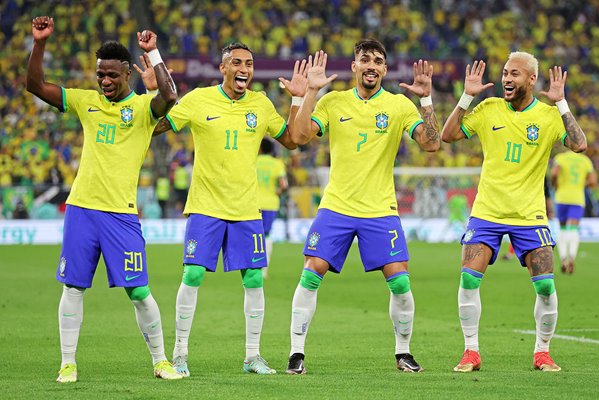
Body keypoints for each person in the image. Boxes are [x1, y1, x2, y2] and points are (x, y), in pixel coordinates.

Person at [26, 16, 181, 382]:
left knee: (139, 290)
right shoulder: (85, 102)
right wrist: (40, 43)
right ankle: (68, 362)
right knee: (74, 286)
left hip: (121, 214)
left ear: (128, 73)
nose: (105, 82)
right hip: (82, 209)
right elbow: (34, 85)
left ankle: (160, 361)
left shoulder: (144, 110)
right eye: (100, 75)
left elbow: (170, 96)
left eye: (112, 75)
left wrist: (153, 52)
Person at [286, 40, 440, 374]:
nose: (371, 65)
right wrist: (310, 91)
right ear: (354, 66)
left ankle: (403, 352)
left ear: (385, 70)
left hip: (380, 208)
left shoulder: (399, 106)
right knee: (312, 271)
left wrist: (425, 98)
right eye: (365, 59)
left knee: (400, 282)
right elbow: (298, 137)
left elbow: (431, 144)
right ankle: (296, 353)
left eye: (378, 61)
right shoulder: (333, 101)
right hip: (337, 206)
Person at [152, 43, 306, 377]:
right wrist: (153, 94)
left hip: (247, 208)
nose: (244, 69)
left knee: (253, 278)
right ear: (223, 67)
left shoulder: (261, 104)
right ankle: (179, 355)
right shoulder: (197, 100)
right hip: (205, 205)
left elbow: (292, 139)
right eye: (236, 62)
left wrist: (297, 99)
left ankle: (252, 356)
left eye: (249, 63)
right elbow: (156, 126)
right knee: (192, 274)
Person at [441, 52, 587, 373]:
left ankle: (542, 353)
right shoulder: (489, 108)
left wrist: (562, 104)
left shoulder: (548, 117)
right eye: (506, 73)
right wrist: (467, 96)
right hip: (487, 211)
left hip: (529, 215)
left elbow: (579, 144)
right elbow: (448, 136)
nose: (507, 78)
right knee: (468, 279)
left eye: (515, 74)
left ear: (531, 80)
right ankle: (470, 352)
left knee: (546, 287)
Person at [551, 150, 597, 273]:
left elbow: (554, 173)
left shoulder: (561, 157)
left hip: (561, 198)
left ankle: (563, 258)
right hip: (577, 199)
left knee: (562, 228)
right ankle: (571, 256)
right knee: (573, 229)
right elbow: (593, 181)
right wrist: (582, 184)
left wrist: (555, 184)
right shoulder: (585, 161)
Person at [256, 137, 288, 278]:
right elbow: (284, 186)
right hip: (270, 203)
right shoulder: (277, 163)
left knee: (253, 235)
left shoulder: (252, 162)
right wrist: (277, 192)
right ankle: (264, 269)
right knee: (266, 235)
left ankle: (252, 266)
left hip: (253, 203)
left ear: (260, 148)